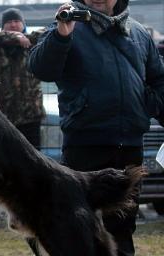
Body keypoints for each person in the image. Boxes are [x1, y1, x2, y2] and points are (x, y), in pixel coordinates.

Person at [28, 0, 164, 255]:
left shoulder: (138, 32)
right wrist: (61, 36)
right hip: (85, 144)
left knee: (123, 224)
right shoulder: (68, 25)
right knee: (79, 222)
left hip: (130, 145)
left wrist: (151, 105)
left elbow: (158, 79)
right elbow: (40, 68)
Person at [0, 8, 45, 148]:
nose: (13, 25)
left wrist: (25, 38)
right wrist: (12, 37)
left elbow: (49, 31)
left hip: (31, 117)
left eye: (17, 21)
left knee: (33, 162)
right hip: (3, 117)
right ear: (3, 26)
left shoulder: (34, 43)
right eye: (9, 22)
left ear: (23, 24)